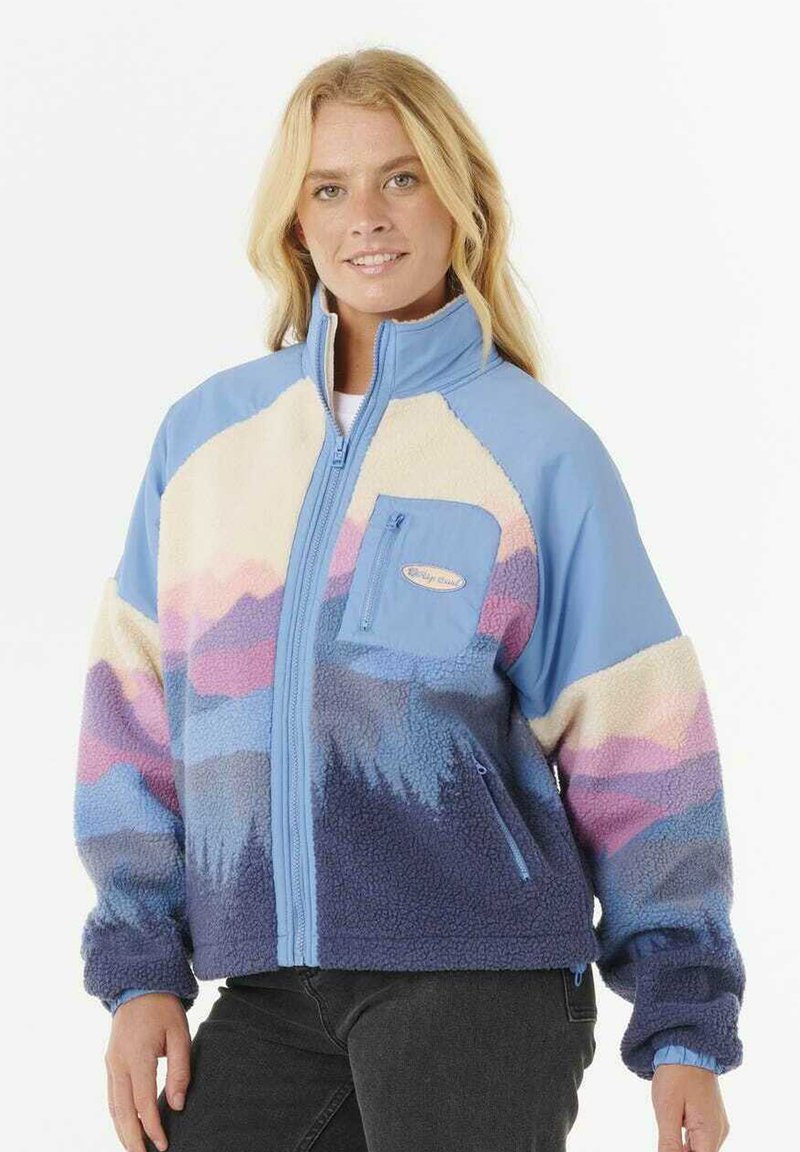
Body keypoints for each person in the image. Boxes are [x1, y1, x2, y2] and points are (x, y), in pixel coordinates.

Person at [74, 47, 745, 1152]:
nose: (367, 218)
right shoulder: (205, 445)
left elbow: (640, 742)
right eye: (329, 188)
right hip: (268, 986)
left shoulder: (536, 452)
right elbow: (133, 715)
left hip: (477, 983)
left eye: (401, 177)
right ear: (295, 221)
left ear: (458, 198)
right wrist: (141, 966)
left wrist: (682, 1026)